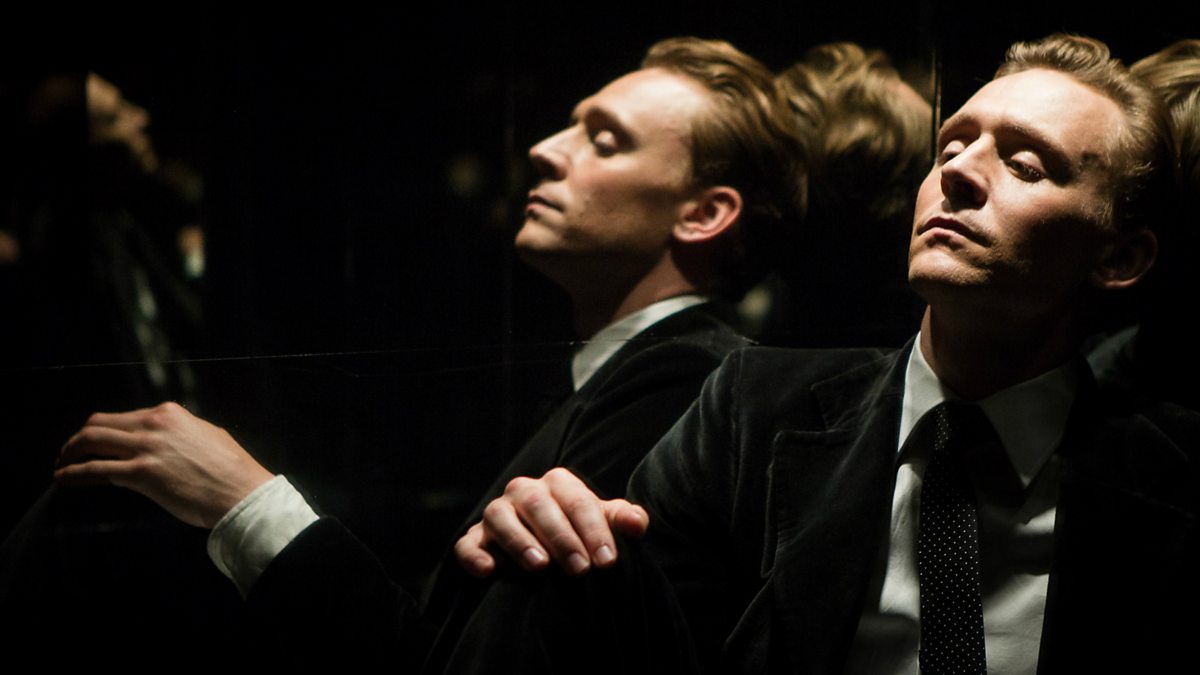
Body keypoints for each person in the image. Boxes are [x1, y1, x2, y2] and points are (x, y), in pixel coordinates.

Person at [48, 37, 804, 666]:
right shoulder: (632, 374)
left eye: (604, 141)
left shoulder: (687, 382)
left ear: (704, 214)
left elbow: (465, 660)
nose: (543, 149)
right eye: (570, 128)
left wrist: (244, 503)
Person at [461, 34, 1198, 673]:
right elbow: (647, 637)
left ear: (1120, 257)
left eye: (1027, 165)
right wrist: (557, 533)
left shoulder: (1175, 476)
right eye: (950, 146)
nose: (958, 172)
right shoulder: (751, 409)